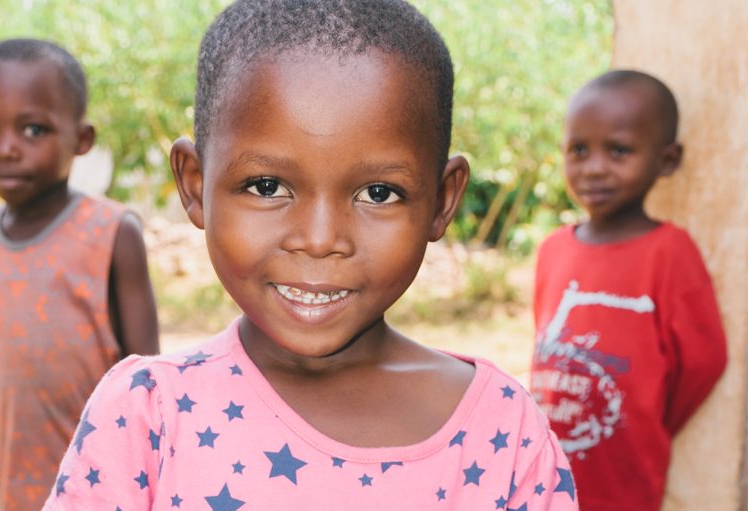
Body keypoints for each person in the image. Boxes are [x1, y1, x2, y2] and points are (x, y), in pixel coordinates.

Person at [42, 1, 578, 509]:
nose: (320, 240)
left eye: (378, 194)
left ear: (442, 202)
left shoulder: (504, 434)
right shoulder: (146, 417)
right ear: (194, 184)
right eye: (267, 186)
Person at [529, 69, 728, 511]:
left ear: (667, 160)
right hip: (547, 471)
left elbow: (704, 360)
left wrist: (645, 419)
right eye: (578, 150)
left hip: (625, 481)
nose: (594, 168)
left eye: (618, 150)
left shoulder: (669, 251)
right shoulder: (552, 249)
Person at [0, 38, 159, 511]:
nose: (5, 149)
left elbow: (148, 381)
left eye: (33, 129)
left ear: (81, 140)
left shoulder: (111, 233)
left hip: (106, 492)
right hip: (20, 493)